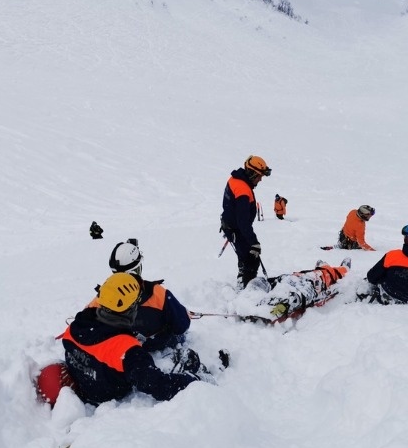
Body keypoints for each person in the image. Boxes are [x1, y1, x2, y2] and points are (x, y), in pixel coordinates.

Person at [57, 273, 206, 406]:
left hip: (86, 387)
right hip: (107, 399)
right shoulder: (128, 351)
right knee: (190, 359)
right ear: (131, 309)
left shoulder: (74, 327)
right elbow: (158, 385)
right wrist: (192, 381)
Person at [85, 238, 191, 352]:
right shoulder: (157, 294)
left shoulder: (103, 298)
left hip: (120, 354)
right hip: (158, 350)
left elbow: (84, 327)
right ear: (138, 268)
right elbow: (182, 325)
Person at [221, 155, 271, 287]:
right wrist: (254, 242)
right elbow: (243, 221)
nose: (260, 180)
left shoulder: (236, 180)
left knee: (246, 258)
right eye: (259, 176)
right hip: (236, 229)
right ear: (251, 173)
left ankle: (243, 282)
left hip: (234, 227)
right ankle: (245, 289)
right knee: (250, 260)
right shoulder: (242, 189)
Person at [259, 259, 351, 320]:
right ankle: (285, 299)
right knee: (298, 288)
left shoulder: (331, 274)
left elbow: (307, 293)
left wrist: (287, 304)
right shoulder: (326, 273)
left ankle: (284, 299)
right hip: (301, 279)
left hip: (302, 280)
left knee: (342, 270)